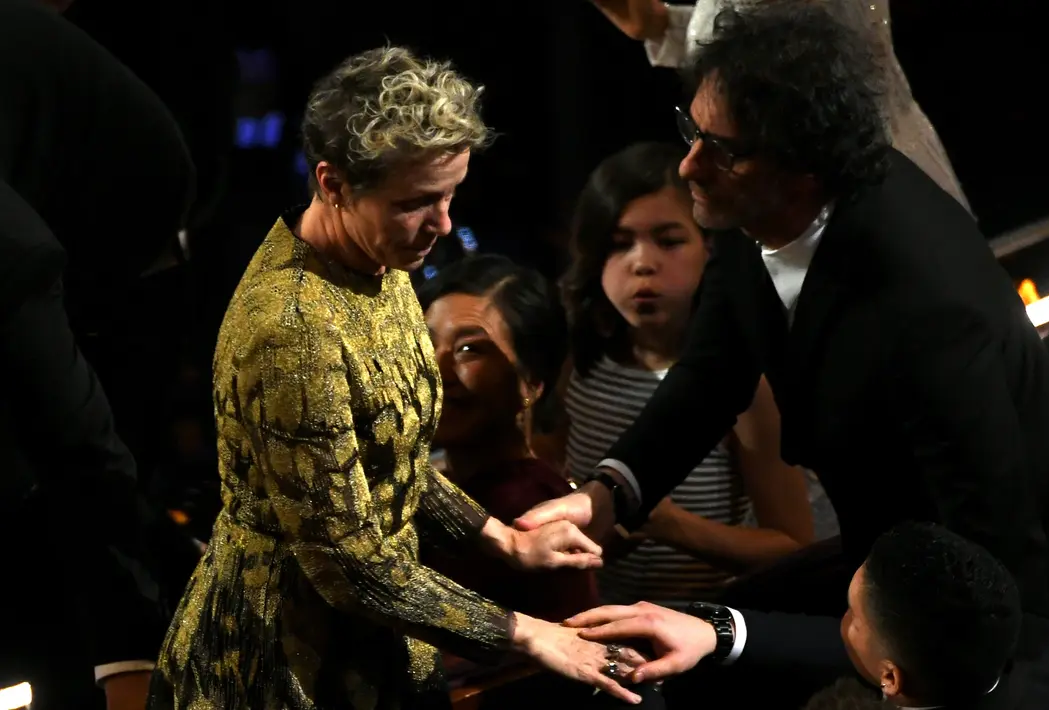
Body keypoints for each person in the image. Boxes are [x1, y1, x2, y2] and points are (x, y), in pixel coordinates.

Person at [518, 0, 1049, 648]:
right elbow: (711, 373)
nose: (688, 166)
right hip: (904, 554)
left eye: (720, 150)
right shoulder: (747, 202)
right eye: (690, 131)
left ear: (802, 172)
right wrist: (608, 495)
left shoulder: (922, 300)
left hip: (1044, 581)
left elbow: (991, 532)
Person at [146, 47, 646, 709]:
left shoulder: (376, 262)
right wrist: (528, 633)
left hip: (368, 640)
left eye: (449, 196)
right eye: (415, 203)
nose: (441, 224)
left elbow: (393, 456)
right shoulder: (294, 328)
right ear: (332, 184)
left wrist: (508, 542)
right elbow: (348, 564)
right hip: (283, 665)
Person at [0, 0, 198, 707]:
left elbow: (83, 448)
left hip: (124, 229)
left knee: (75, 485)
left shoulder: (17, 255)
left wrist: (126, 657)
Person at [558, 141, 816, 605]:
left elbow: (794, 546)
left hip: (699, 631)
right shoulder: (580, 361)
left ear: (709, 248)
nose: (642, 263)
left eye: (669, 240)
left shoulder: (742, 386)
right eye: (618, 245)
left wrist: (666, 522)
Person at [568, 523, 1049, 710]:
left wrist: (618, 682)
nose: (840, 623)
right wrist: (719, 631)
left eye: (850, 616)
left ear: (891, 678)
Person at [586, 0, 971, 212]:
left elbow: (763, 57)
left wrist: (669, 28)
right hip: (863, 173)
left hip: (849, 193)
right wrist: (663, 25)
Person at [418, 254, 599, 623]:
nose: (434, 371)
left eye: (469, 349)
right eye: (423, 342)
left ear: (530, 383)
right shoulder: (440, 484)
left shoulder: (531, 510)